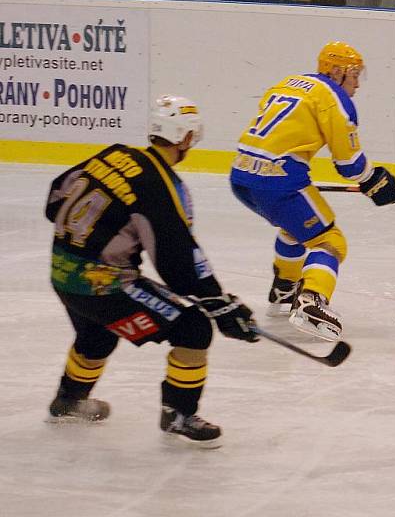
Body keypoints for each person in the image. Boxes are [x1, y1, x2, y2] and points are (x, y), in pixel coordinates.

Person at [46, 94, 258, 448]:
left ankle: (69, 399)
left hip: (61, 271)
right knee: (193, 328)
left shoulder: (113, 154)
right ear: (186, 139)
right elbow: (178, 261)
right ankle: (179, 413)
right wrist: (220, 306)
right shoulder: (160, 187)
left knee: (97, 334)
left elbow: (55, 197)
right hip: (101, 283)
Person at [229, 41, 395, 342]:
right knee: (330, 241)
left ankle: (284, 286)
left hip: (241, 175)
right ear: (337, 71)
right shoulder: (334, 98)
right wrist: (374, 180)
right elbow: (348, 164)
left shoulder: (287, 84)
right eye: (354, 75)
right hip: (279, 181)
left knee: (295, 226)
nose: (357, 84)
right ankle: (311, 300)